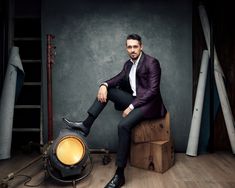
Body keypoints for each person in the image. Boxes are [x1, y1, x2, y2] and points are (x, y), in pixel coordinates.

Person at [63, 34, 167, 188]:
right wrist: (104, 84)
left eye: (135, 46)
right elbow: (117, 78)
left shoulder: (152, 63)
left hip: (150, 105)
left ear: (141, 47)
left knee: (123, 126)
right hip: (136, 100)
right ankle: (86, 125)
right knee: (108, 90)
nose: (132, 50)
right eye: (129, 47)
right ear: (126, 48)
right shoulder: (128, 64)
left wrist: (131, 107)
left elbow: (152, 91)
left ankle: (120, 174)